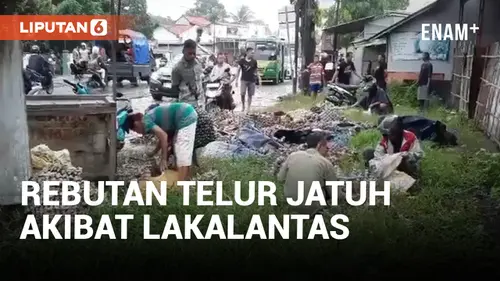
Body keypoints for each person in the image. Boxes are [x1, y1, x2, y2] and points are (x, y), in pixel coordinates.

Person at [127, 102, 198, 181]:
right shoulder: (149, 118)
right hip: (184, 114)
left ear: (136, 123)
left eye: (135, 130)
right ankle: (186, 178)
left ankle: (180, 186)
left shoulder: (145, 121)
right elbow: (163, 139)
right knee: (179, 154)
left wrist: (163, 159)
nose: (138, 132)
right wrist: (154, 152)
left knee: (181, 153)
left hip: (185, 115)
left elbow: (164, 136)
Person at [278, 131, 337, 215]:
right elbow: (336, 195)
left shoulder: (293, 155)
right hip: (314, 211)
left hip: (289, 206)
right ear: (319, 145)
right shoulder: (325, 163)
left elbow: (280, 179)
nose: (328, 149)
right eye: (326, 146)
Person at [170, 39, 205, 108]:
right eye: (189, 53)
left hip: (200, 104)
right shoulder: (177, 69)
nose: (192, 56)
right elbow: (174, 90)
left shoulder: (198, 64)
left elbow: (201, 82)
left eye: (194, 53)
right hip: (186, 106)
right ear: (183, 51)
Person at [236, 47, 261, 112]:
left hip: (252, 80)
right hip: (243, 80)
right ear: (247, 53)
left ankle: (248, 107)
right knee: (242, 93)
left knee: (250, 94)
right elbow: (238, 71)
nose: (252, 54)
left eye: (253, 53)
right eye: (251, 53)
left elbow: (256, 71)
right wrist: (236, 80)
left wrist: (259, 79)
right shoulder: (241, 61)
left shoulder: (254, 61)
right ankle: (243, 105)